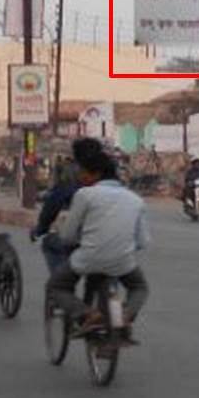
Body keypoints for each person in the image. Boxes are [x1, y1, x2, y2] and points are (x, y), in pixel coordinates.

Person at [45, 138, 152, 343]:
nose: (80, 175)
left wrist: (79, 240)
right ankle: (126, 314)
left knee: (55, 286)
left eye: (84, 172)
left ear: (96, 174)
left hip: (89, 258)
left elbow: (68, 235)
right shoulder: (136, 200)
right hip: (123, 262)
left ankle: (87, 314)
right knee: (140, 287)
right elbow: (143, 241)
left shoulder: (85, 195)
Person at [30, 163, 82, 272]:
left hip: (80, 241)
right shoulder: (110, 189)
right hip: (112, 245)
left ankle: (60, 283)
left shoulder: (64, 189)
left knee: (51, 244)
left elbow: (48, 214)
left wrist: (39, 231)